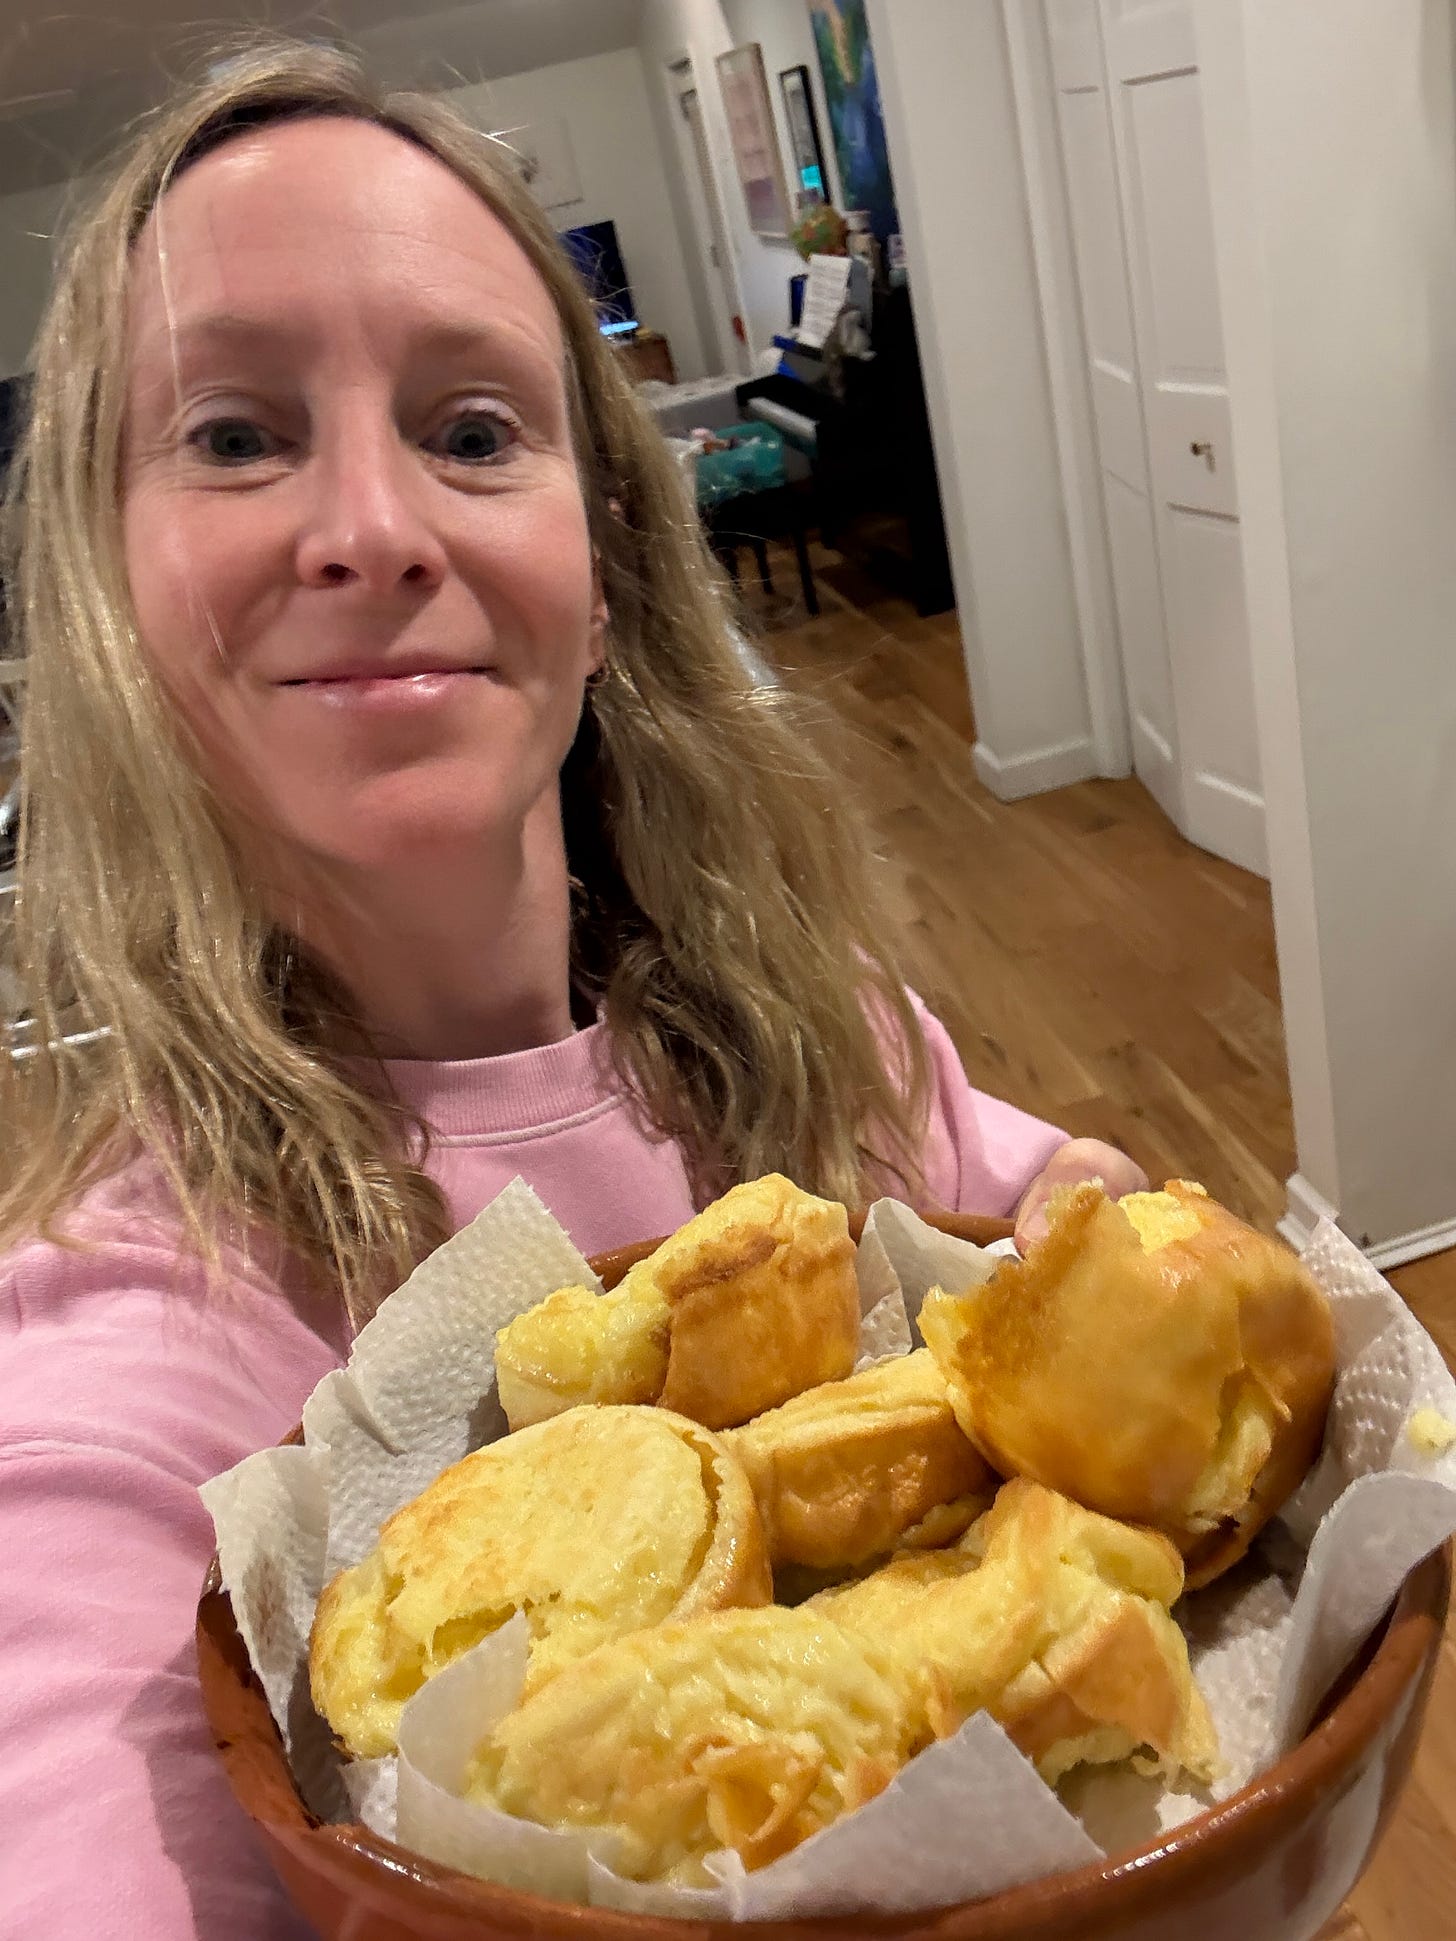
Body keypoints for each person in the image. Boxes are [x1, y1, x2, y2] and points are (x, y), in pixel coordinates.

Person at [0, 40, 1145, 1938]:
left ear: (599, 571)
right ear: (105, 592)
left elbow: (1020, 1197)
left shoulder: (819, 1032)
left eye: (470, 430)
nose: (375, 525)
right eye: (232, 434)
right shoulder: (124, 1358)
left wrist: (1096, 1232)